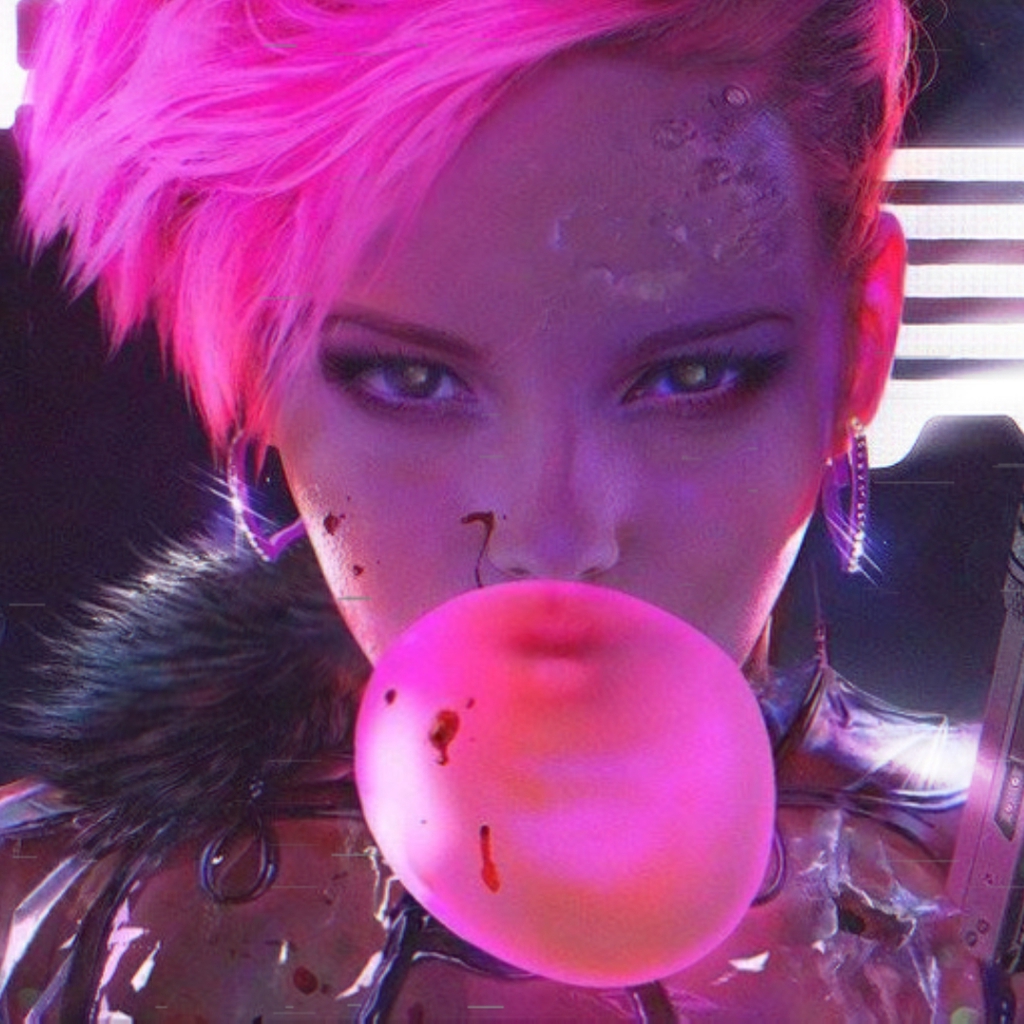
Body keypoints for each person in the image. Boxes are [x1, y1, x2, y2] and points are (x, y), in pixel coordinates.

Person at [0, 0, 997, 1019]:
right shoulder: (41, 928)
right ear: (259, 368)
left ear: (860, 346)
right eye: (411, 380)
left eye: (690, 376)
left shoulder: (985, 917)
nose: (550, 537)